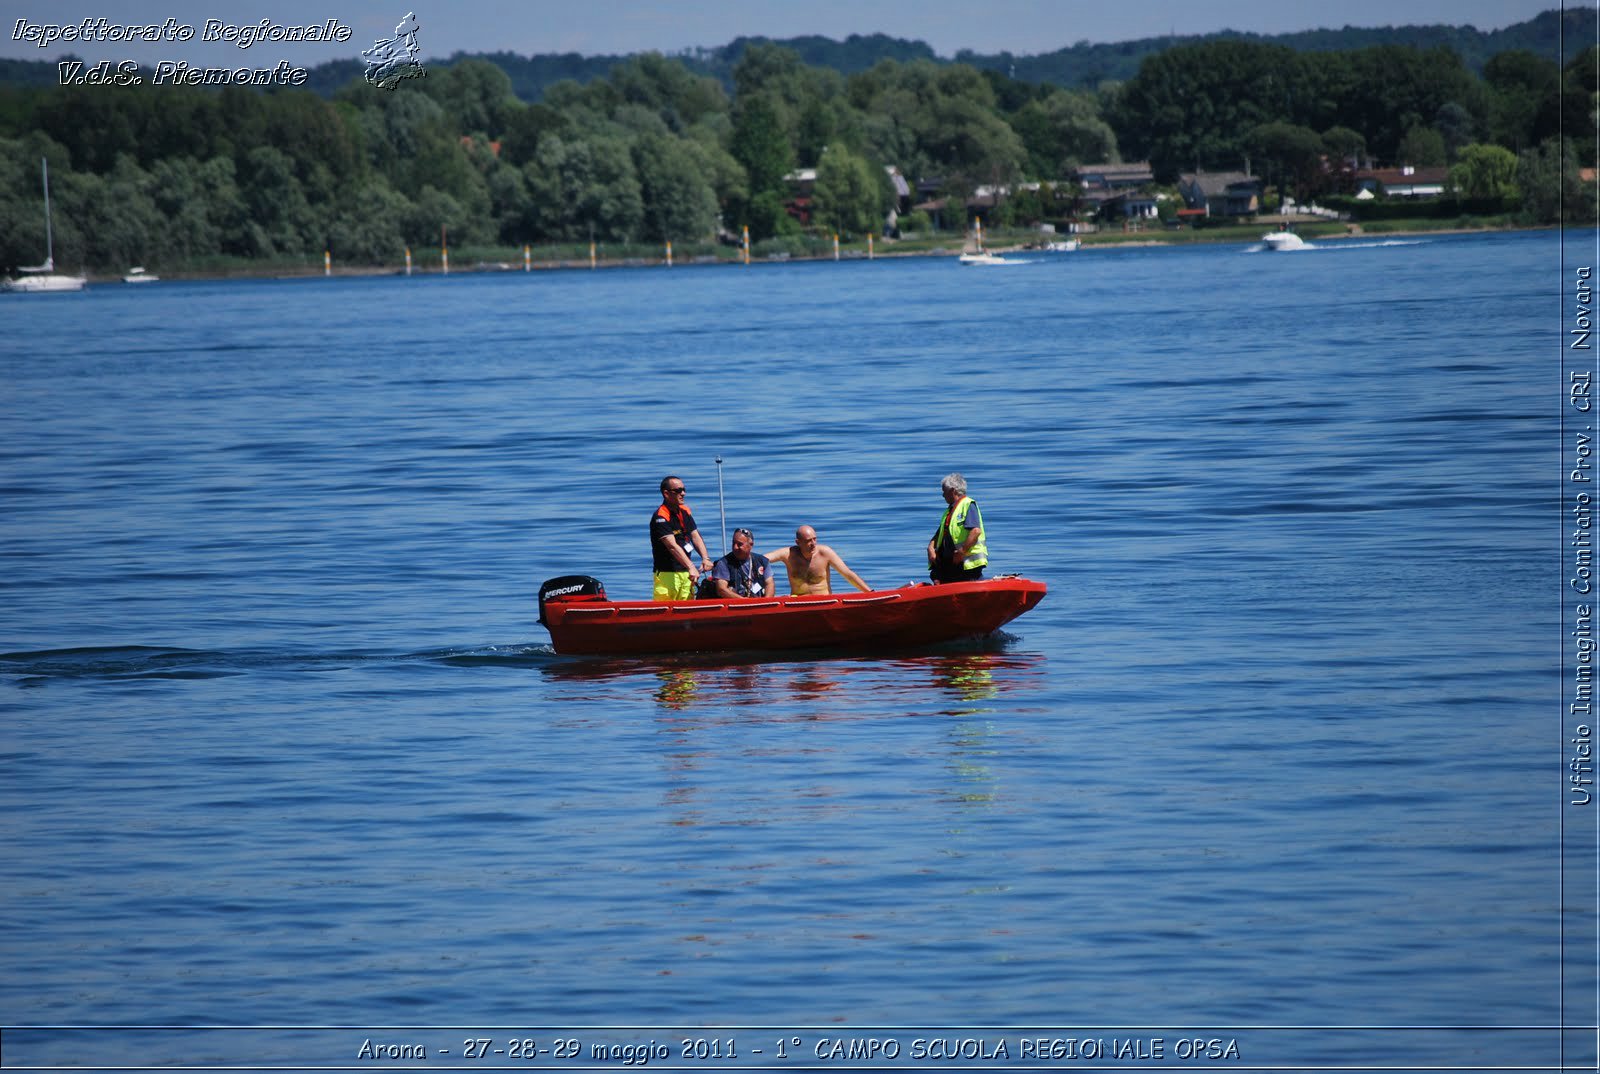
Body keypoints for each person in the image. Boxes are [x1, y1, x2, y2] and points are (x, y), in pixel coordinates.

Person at [650, 475, 712, 601]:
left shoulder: (685, 511)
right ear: (666, 494)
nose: (683, 493)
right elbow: (672, 546)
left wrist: (705, 558)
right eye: (678, 491)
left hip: (687, 573)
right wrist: (691, 567)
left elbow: (695, 535)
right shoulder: (660, 517)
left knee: (688, 609)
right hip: (667, 575)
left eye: (684, 489)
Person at [766, 525, 870, 595]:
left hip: (824, 602)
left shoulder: (825, 552)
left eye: (814, 539)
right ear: (798, 542)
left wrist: (870, 593)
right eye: (808, 541)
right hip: (798, 604)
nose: (813, 544)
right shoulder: (788, 554)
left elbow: (848, 574)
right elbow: (762, 559)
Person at [927, 472, 988, 583]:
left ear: (953, 491)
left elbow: (975, 531)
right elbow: (940, 533)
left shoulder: (968, 504)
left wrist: (962, 552)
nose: (943, 495)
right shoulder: (949, 511)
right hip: (950, 564)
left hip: (966, 563)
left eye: (944, 491)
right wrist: (930, 547)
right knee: (937, 576)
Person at [709, 527, 776, 599]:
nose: (735, 547)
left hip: (758, 603)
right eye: (733, 543)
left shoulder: (762, 561)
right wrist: (743, 601)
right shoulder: (723, 563)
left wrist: (766, 602)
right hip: (734, 605)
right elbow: (721, 589)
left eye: (739, 544)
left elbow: (770, 584)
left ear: (750, 545)